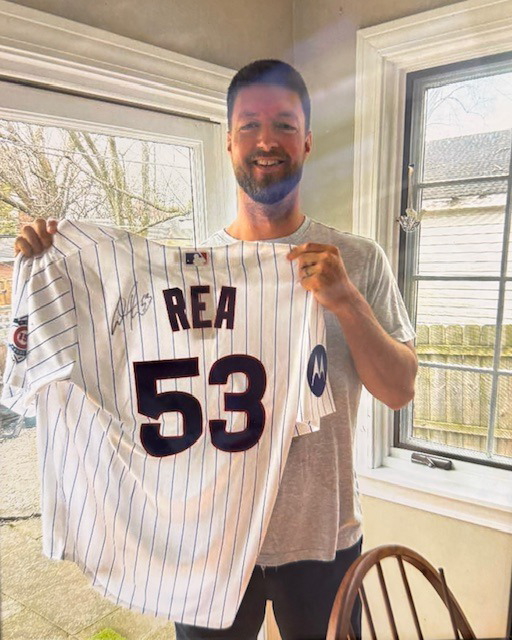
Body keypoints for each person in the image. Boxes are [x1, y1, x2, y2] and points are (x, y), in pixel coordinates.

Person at [15, 59, 417, 640]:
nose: (266, 141)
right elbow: (109, 363)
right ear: (228, 141)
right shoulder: (186, 275)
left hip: (326, 539)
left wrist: (347, 301)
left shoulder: (357, 259)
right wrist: (51, 266)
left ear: (306, 139)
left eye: (284, 125)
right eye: (249, 125)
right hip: (211, 544)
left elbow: (400, 389)